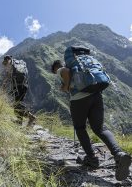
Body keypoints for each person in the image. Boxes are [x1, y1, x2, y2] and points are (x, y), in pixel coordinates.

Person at [52, 50, 131, 181]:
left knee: (80, 127)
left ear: (55, 68)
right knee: (100, 128)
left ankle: (92, 158)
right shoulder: (79, 65)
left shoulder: (61, 69)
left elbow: (65, 73)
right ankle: (119, 154)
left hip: (79, 99)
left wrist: (65, 86)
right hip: (96, 94)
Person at [2, 55, 36, 126]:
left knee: (17, 104)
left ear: (7, 60)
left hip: (19, 87)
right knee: (18, 104)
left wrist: (4, 85)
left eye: (6, 61)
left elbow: (8, 75)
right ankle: (23, 119)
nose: (5, 63)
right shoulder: (17, 63)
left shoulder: (11, 64)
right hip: (23, 85)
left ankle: (30, 118)